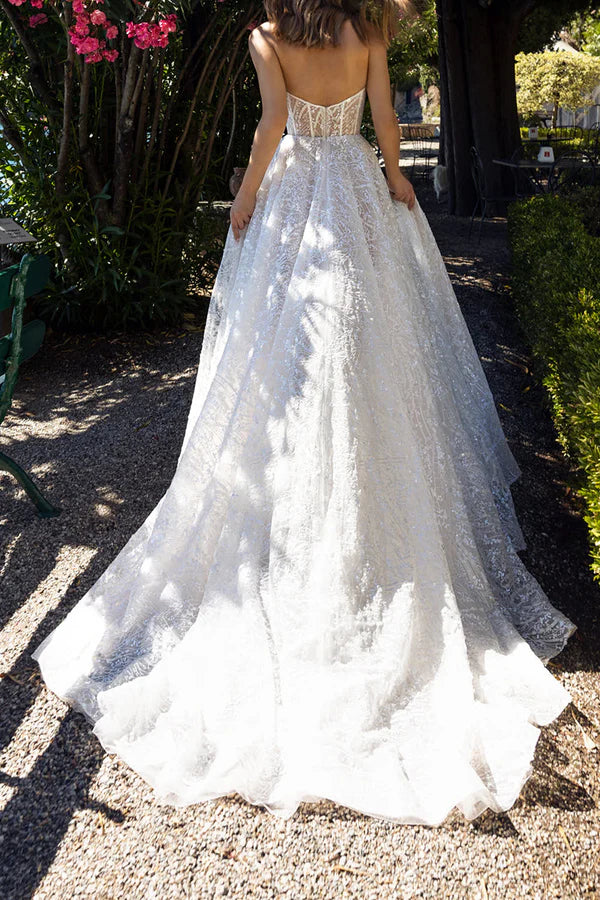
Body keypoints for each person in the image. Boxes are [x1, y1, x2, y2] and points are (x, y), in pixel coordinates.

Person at [32, 0, 577, 826]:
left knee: (280, 356)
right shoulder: (372, 31)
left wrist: (246, 197)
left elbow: (273, 126)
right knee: (375, 352)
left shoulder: (265, 37)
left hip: (296, 196)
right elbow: (385, 122)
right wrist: (394, 174)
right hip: (355, 193)